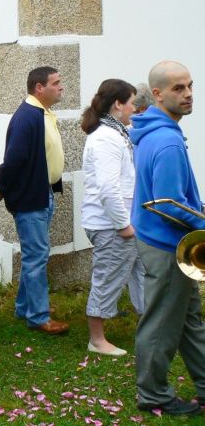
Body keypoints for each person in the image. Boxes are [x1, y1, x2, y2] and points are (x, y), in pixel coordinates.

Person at [130, 61, 205, 416]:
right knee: (161, 323)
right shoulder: (167, 142)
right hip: (168, 246)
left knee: (189, 319)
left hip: (161, 241)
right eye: (178, 88)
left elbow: (176, 198)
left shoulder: (155, 131)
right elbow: (169, 205)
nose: (188, 94)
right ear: (157, 94)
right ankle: (153, 395)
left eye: (190, 85)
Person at [0, 66, 69, 334]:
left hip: (42, 193)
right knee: (37, 256)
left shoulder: (42, 113)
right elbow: (13, 160)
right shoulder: (27, 117)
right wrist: (1, 186)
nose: (61, 87)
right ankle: (38, 316)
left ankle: (26, 306)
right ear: (39, 88)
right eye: (56, 83)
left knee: (34, 255)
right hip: (30, 198)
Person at [81, 79, 144, 357]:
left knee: (141, 273)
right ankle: (96, 340)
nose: (135, 108)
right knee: (108, 277)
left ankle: (149, 326)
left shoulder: (117, 132)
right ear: (118, 104)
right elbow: (108, 189)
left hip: (123, 222)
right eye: (132, 103)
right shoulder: (106, 138)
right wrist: (124, 226)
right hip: (111, 225)